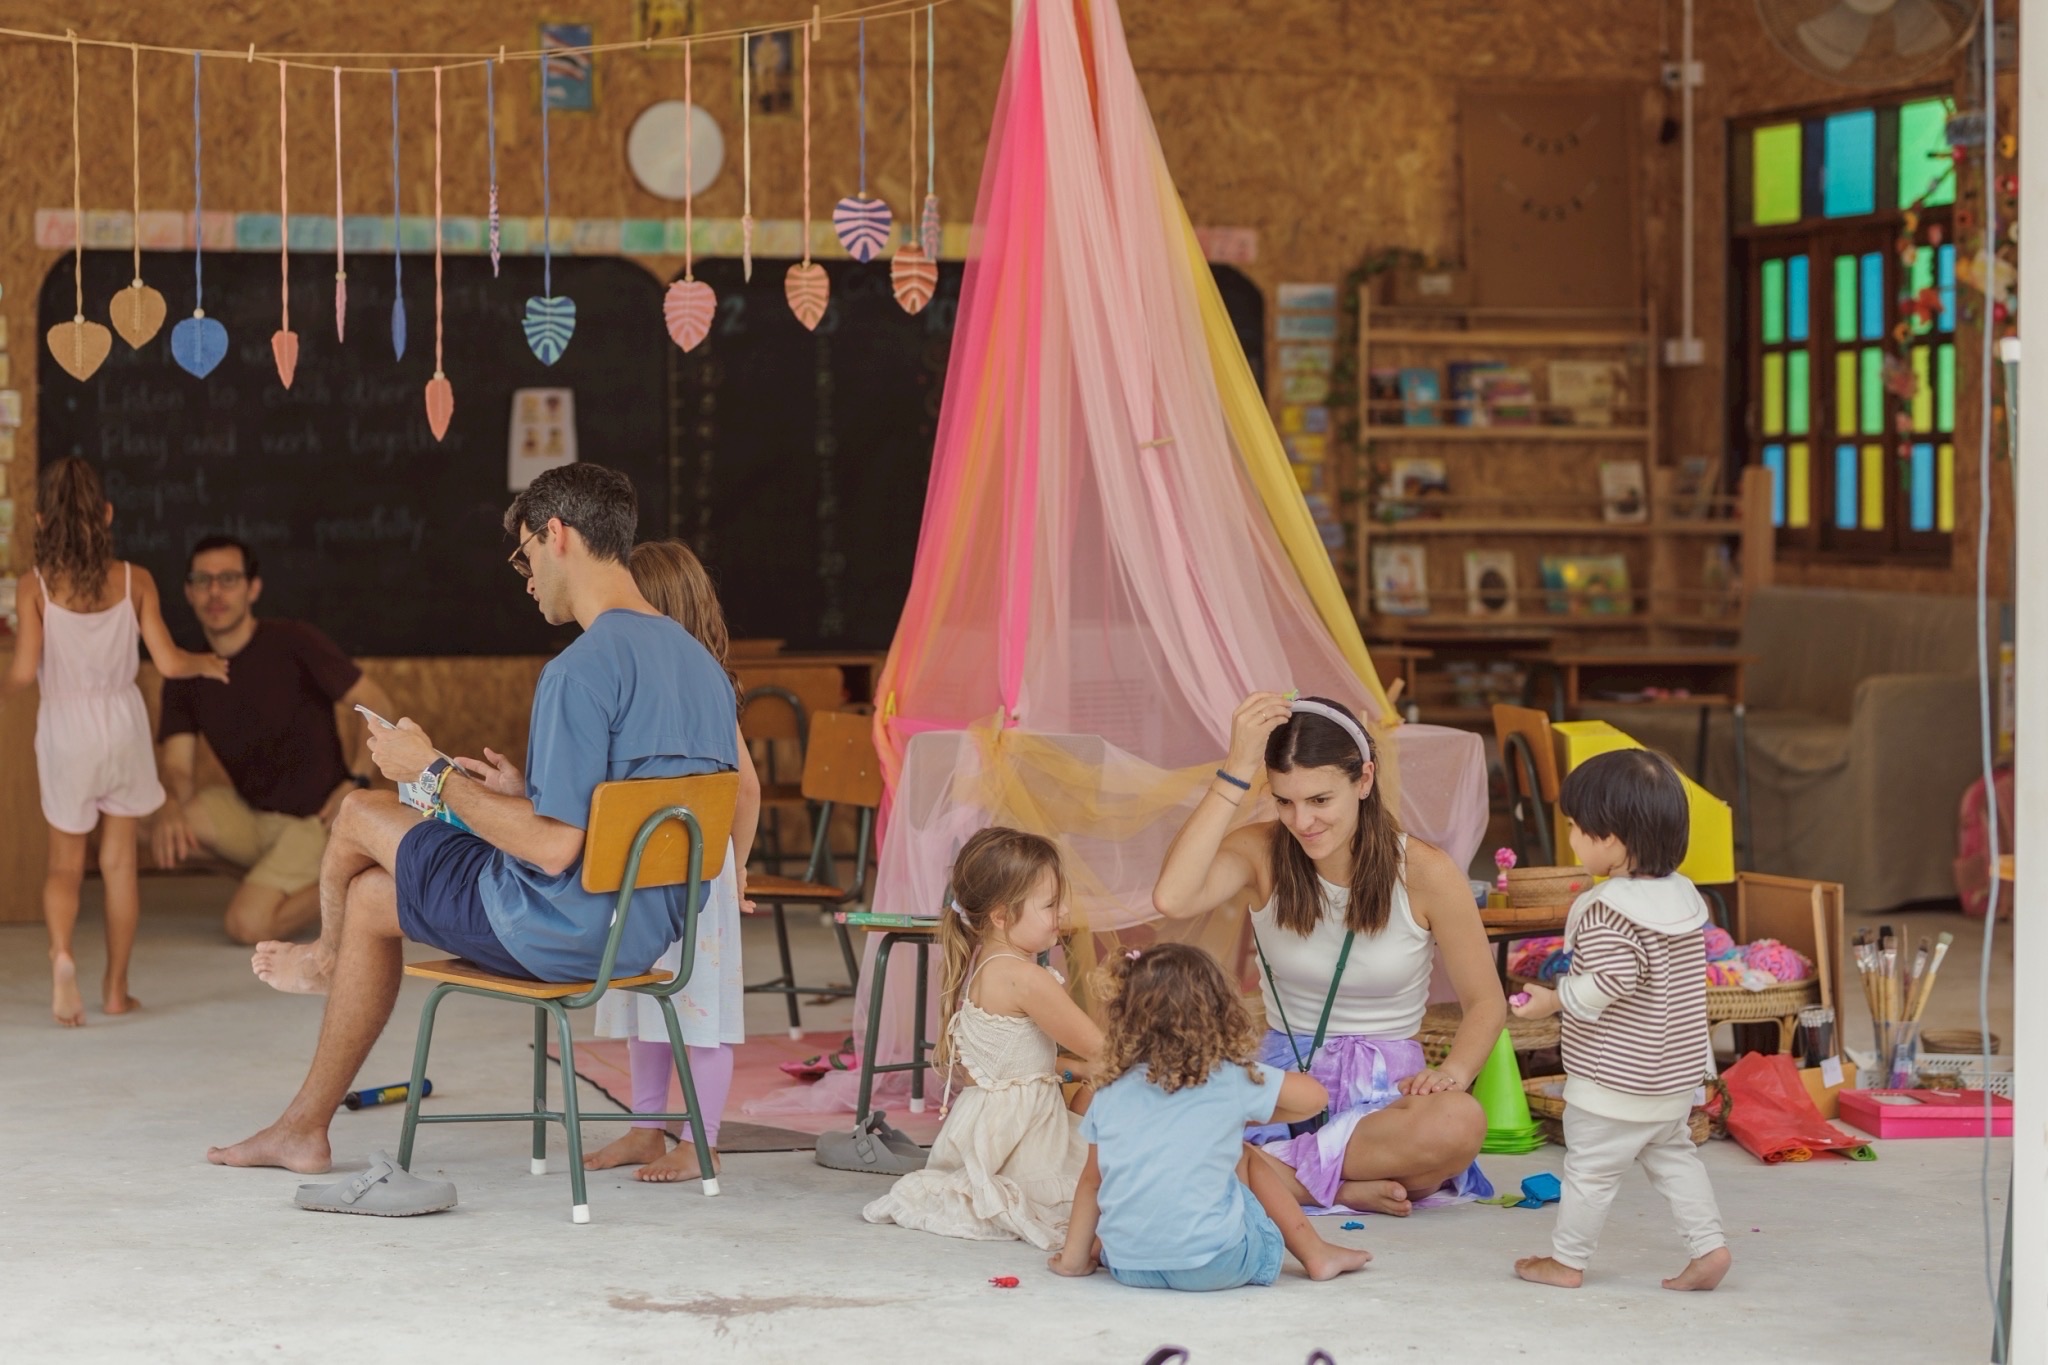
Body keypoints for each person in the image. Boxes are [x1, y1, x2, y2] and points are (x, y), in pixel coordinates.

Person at [208, 464, 738, 1175]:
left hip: (555, 927)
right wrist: (520, 789)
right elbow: (609, 817)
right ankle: (304, 1127)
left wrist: (429, 770)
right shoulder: (699, 666)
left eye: (525, 556)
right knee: (372, 897)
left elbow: (552, 849)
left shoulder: (581, 670)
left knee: (362, 810)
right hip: (640, 934)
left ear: (558, 535)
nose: (525, 579)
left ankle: (325, 962)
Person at [1151, 692, 1500, 1217]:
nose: (1302, 820)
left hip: (1386, 1096)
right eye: (1285, 801)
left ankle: (1262, 1171)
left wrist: (1453, 1072)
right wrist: (1237, 768)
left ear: (1363, 780)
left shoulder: (1425, 870)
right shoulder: (1261, 851)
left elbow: (1486, 1002)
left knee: (1459, 1123)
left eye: (1320, 800)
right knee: (1157, 1107)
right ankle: (1336, 1185)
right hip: (1285, 1085)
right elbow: (1172, 897)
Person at [2, 457, 228, 1026]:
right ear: (106, 514)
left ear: (38, 519)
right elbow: (172, 662)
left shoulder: (35, 587)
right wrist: (208, 661)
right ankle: (115, 990)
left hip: (66, 730)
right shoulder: (135, 579)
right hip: (122, 726)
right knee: (121, 863)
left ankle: (61, 958)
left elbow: (25, 671)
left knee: (63, 865)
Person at [1509, 749, 1730, 1292]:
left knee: (1589, 1173)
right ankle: (1710, 1248)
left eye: (1574, 829)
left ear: (1609, 838)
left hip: (1614, 1083)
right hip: (1671, 1078)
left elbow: (1610, 981)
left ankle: (1566, 1262)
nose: (1572, 840)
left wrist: (1551, 1001)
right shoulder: (1683, 899)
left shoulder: (1611, 909)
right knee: (1676, 1160)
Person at [581, 539, 762, 1185]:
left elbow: (746, 787)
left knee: (699, 1013)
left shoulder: (703, 688)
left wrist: (734, 866)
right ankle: (646, 1127)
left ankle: (701, 1140)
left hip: (695, 881)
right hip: (643, 876)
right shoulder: (644, 690)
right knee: (647, 1004)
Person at [1048, 943, 1372, 1289]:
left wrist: (1072, 1263)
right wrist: (1241, 1113)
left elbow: (1092, 1182)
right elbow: (1315, 1098)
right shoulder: (1228, 1076)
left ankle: (1101, 1249)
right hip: (1217, 1263)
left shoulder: (1109, 1090)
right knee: (1245, 1157)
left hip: (1131, 1268)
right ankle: (1315, 1253)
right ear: (1218, 1012)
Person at [150, 534, 398, 945]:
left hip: (312, 821)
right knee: (151, 823)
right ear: (189, 592)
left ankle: (363, 881)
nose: (215, 592)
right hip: (250, 815)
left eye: (228, 579)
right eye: (203, 580)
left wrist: (356, 782)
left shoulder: (293, 641)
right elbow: (177, 765)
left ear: (253, 588)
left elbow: (376, 702)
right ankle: (280, 877)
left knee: (247, 926)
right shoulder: (184, 667)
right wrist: (173, 804)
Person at [863, 827, 1102, 1248]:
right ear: (1000, 916)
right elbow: (1103, 1049)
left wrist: (1080, 1070)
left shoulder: (989, 964)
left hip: (988, 1131)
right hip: (1022, 1141)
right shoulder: (1025, 978)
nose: (1063, 913)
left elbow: (1013, 1065)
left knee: (1099, 1079)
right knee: (1119, 1086)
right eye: (1049, 904)